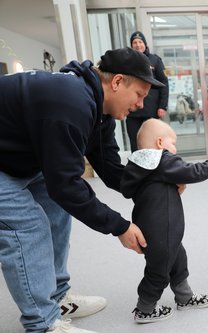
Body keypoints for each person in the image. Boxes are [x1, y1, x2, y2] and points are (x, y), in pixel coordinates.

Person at [0, 47, 161, 332]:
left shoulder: (100, 111)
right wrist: (120, 227)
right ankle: (43, 323)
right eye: (139, 94)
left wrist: (156, 186)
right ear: (117, 82)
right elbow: (67, 186)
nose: (140, 105)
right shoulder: (71, 103)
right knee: (28, 227)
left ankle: (57, 295)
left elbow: (111, 169)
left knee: (56, 210)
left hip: (16, 157)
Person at [120, 119, 208, 323]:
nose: (174, 148)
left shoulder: (139, 164)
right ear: (160, 142)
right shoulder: (161, 159)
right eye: (173, 142)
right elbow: (192, 172)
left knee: (177, 258)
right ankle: (145, 308)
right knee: (158, 270)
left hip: (151, 225)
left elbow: (129, 189)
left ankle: (184, 297)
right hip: (162, 227)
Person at [127, 31, 170, 151]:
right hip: (132, 111)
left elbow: (164, 83)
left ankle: (155, 169)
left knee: (152, 143)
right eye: (134, 42)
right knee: (135, 145)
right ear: (131, 45)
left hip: (151, 110)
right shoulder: (127, 61)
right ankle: (136, 169)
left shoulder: (155, 60)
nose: (137, 45)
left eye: (140, 42)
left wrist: (163, 106)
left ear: (145, 44)